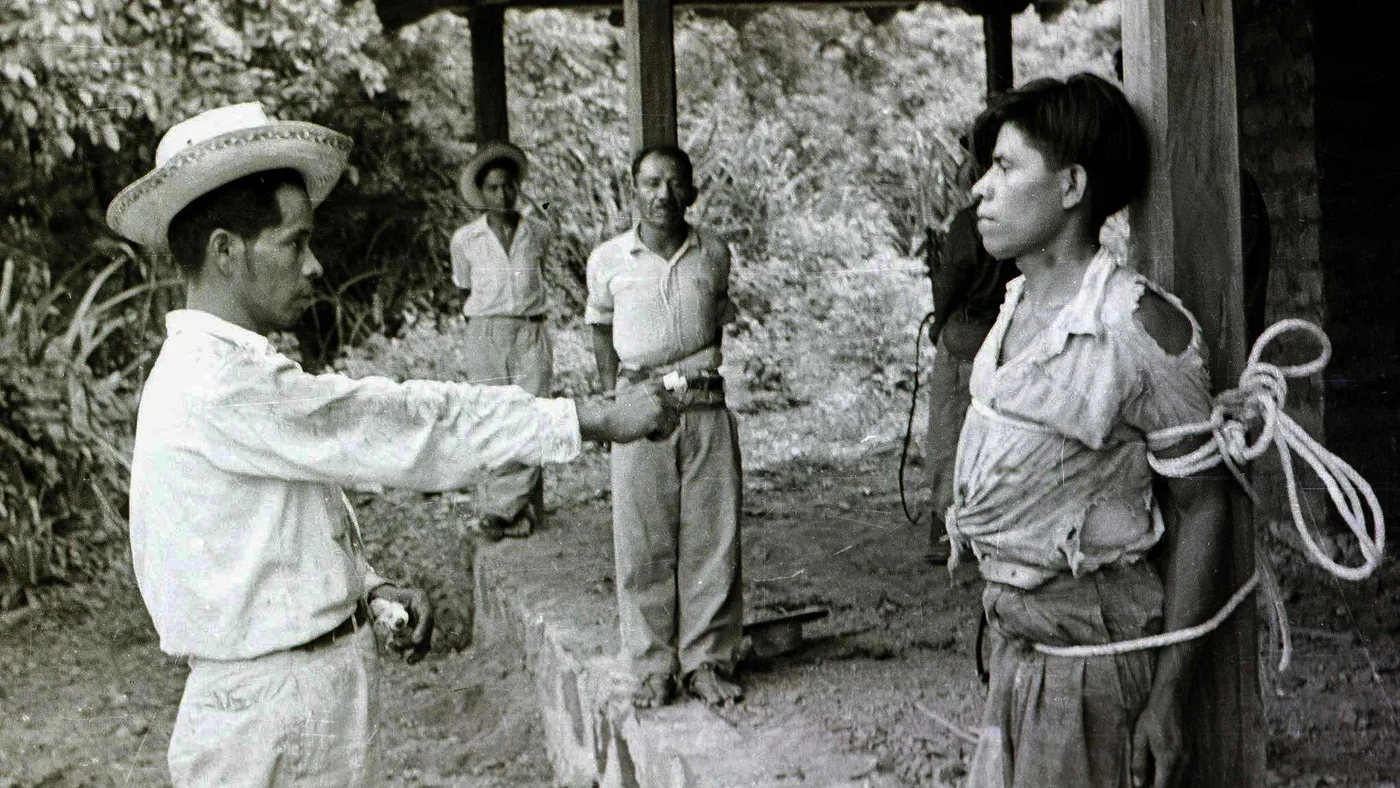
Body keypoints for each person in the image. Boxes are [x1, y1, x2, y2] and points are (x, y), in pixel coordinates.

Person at [106, 102, 678, 787]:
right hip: (268, 713)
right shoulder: (217, 381)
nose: (314, 266)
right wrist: (584, 419)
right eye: (294, 243)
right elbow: (399, 423)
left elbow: (261, 532)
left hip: (292, 691)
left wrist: (366, 588)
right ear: (226, 251)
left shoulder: (230, 376)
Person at [946, 75, 1229, 787]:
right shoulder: (1014, 303)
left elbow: (1204, 503)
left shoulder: (1137, 327)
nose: (982, 189)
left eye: (1006, 168)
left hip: (1091, 676)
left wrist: (1167, 699)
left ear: (1071, 185)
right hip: (1017, 650)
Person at [586, 145, 744, 709]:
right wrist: (614, 401)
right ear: (634, 191)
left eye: (675, 183)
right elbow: (600, 330)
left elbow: (720, 312)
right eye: (651, 183)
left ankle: (707, 662)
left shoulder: (714, 253)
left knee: (712, 538)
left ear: (692, 192)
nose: (663, 195)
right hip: (640, 409)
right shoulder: (608, 259)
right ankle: (654, 666)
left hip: (704, 406)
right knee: (643, 541)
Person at [451, 142, 554, 541]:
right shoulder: (466, 239)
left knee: (532, 415)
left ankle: (504, 511)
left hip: (529, 329)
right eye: (493, 188)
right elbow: (463, 287)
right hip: (486, 331)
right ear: (482, 193)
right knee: (491, 415)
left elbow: (546, 234)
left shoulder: (537, 232)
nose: (502, 195)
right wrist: (485, 321)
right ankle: (501, 510)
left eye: (509, 186)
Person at [924, 145, 1020, 561]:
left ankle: (946, 530)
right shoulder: (1019, 220)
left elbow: (952, 279)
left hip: (965, 331)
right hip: (1002, 331)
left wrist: (938, 324)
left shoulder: (968, 222)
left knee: (949, 431)